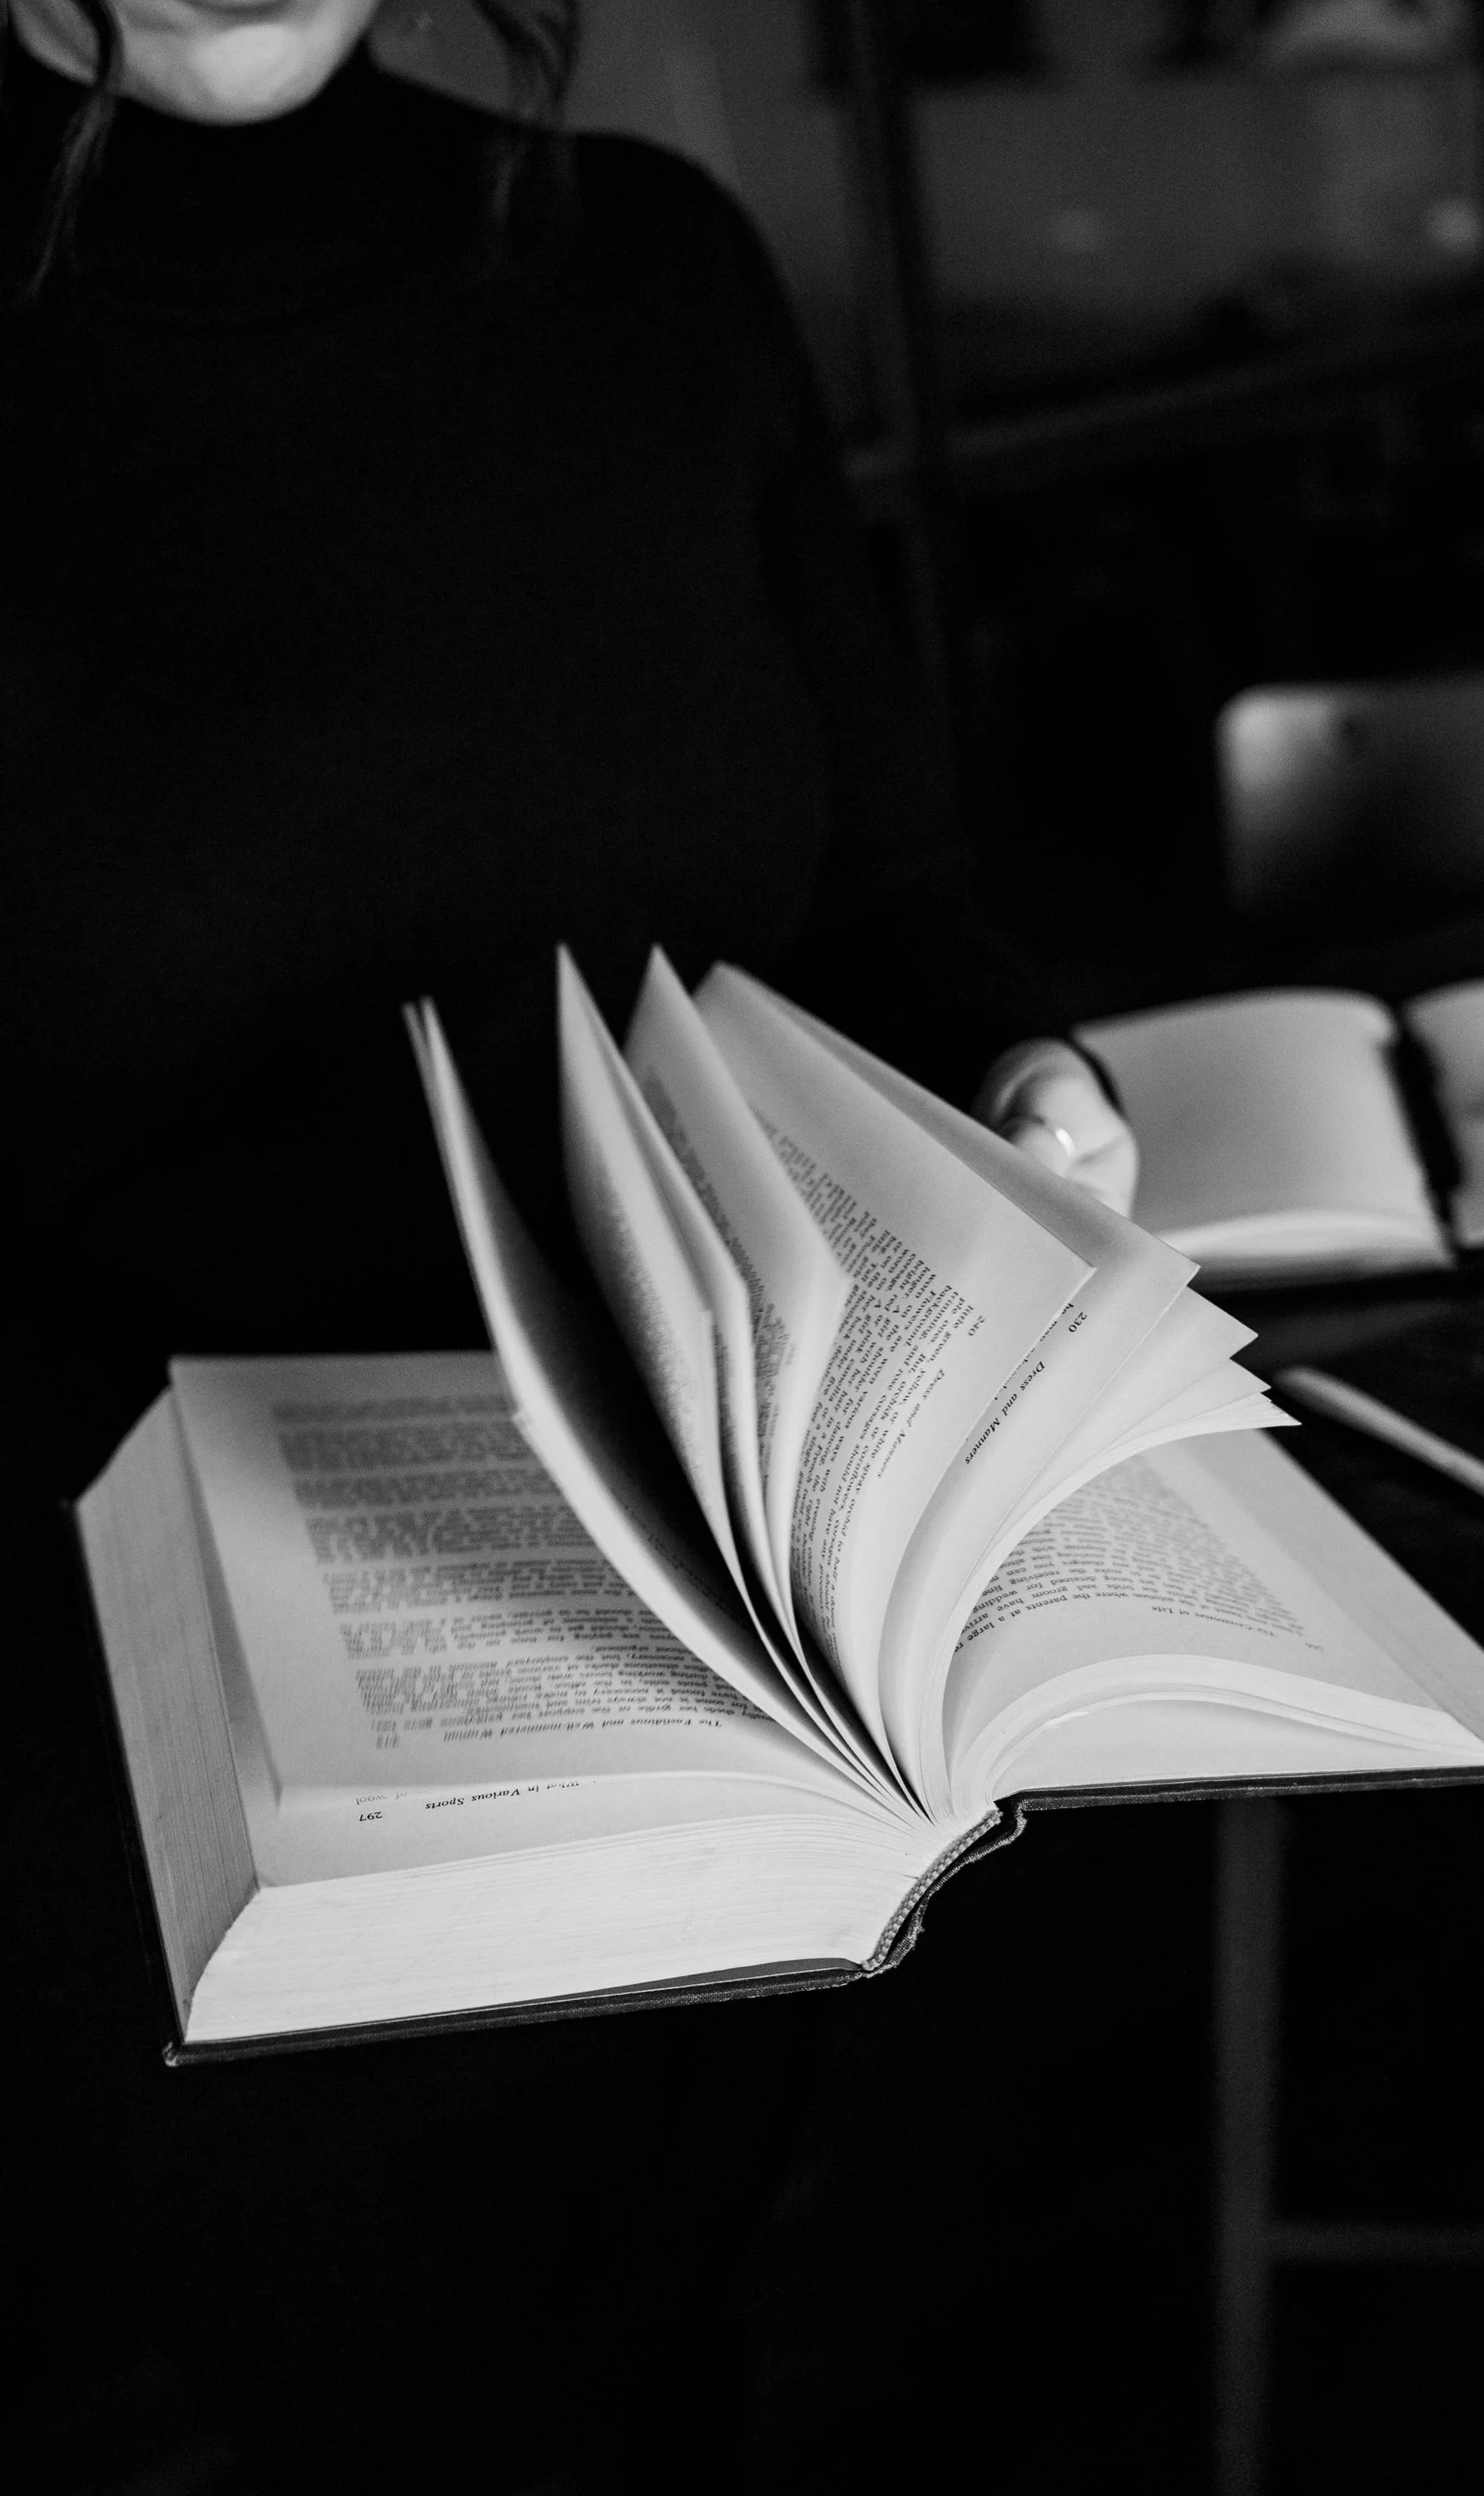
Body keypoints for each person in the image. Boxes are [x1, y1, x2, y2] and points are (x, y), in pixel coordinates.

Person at [2, 6, 1131, 2487]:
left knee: (734, 2338)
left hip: (720, 1595)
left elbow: (886, 898)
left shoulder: (647, 268)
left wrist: (1027, 1085)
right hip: (154, 1721)